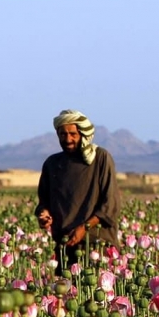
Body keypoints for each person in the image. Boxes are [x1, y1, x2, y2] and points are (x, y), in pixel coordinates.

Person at [35, 109, 121, 269]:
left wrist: (84, 228)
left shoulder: (100, 158)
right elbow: (44, 201)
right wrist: (44, 214)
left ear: (82, 134)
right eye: (63, 134)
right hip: (65, 247)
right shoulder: (52, 164)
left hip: (98, 247)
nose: (67, 139)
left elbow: (110, 205)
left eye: (72, 134)